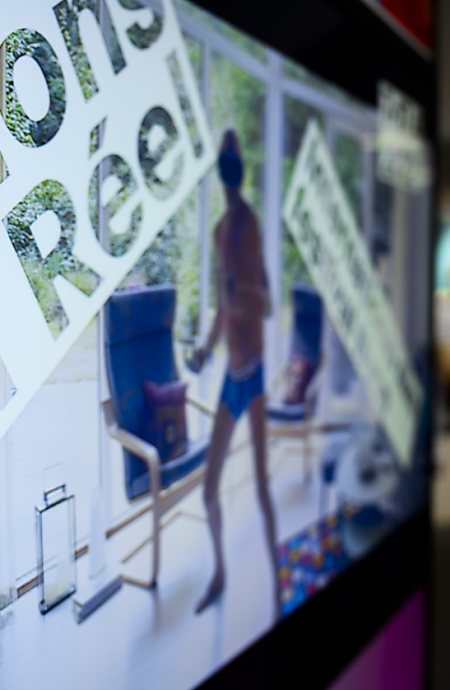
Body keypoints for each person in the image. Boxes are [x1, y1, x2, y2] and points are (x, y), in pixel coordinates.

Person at [191, 130, 278, 616]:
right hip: (233, 374)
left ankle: (279, 584)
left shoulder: (250, 225)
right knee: (209, 490)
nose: (230, 175)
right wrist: (205, 350)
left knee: (262, 485)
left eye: (234, 164)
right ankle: (220, 573)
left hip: (257, 373)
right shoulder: (221, 231)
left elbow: (265, 303)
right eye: (226, 164)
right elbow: (224, 311)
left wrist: (244, 292)